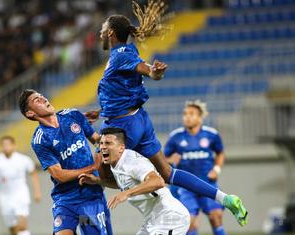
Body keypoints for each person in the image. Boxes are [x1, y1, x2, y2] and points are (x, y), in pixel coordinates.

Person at [84, 0, 248, 226]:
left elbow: (144, 68)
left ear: (110, 32)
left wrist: (154, 72)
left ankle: (110, 216)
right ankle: (226, 198)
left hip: (122, 126)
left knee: (99, 169)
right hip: (138, 118)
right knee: (168, 173)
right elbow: (124, 87)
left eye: (103, 28)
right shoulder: (125, 52)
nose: (100, 31)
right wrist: (101, 109)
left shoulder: (121, 54)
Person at [18, 89, 113, 235]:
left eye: (42, 96)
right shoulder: (40, 140)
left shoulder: (72, 115)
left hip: (90, 196)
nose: (44, 99)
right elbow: (59, 175)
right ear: (31, 113)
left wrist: (104, 154)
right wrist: (92, 167)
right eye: (37, 100)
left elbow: (98, 141)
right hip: (66, 200)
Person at [79, 127, 191, 235]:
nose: (103, 147)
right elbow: (124, 184)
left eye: (108, 143)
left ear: (121, 148)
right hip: (153, 220)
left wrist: (126, 194)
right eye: (101, 143)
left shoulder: (132, 162)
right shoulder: (116, 162)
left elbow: (158, 181)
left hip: (170, 217)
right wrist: (97, 181)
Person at [165, 100, 227, 235]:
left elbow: (220, 153)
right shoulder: (176, 137)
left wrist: (216, 169)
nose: (187, 117)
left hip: (207, 183)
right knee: (189, 222)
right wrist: (170, 159)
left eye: (191, 114)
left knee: (216, 216)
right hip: (185, 187)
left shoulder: (211, 135)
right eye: (185, 114)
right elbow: (162, 159)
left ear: (200, 118)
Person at [0, 136, 41, 235]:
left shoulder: (23, 159)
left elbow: (33, 173)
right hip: (5, 198)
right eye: (4, 145)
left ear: (14, 146)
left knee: (22, 226)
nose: (6, 147)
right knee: (13, 229)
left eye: (8, 144)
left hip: (21, 195)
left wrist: (37, 192)